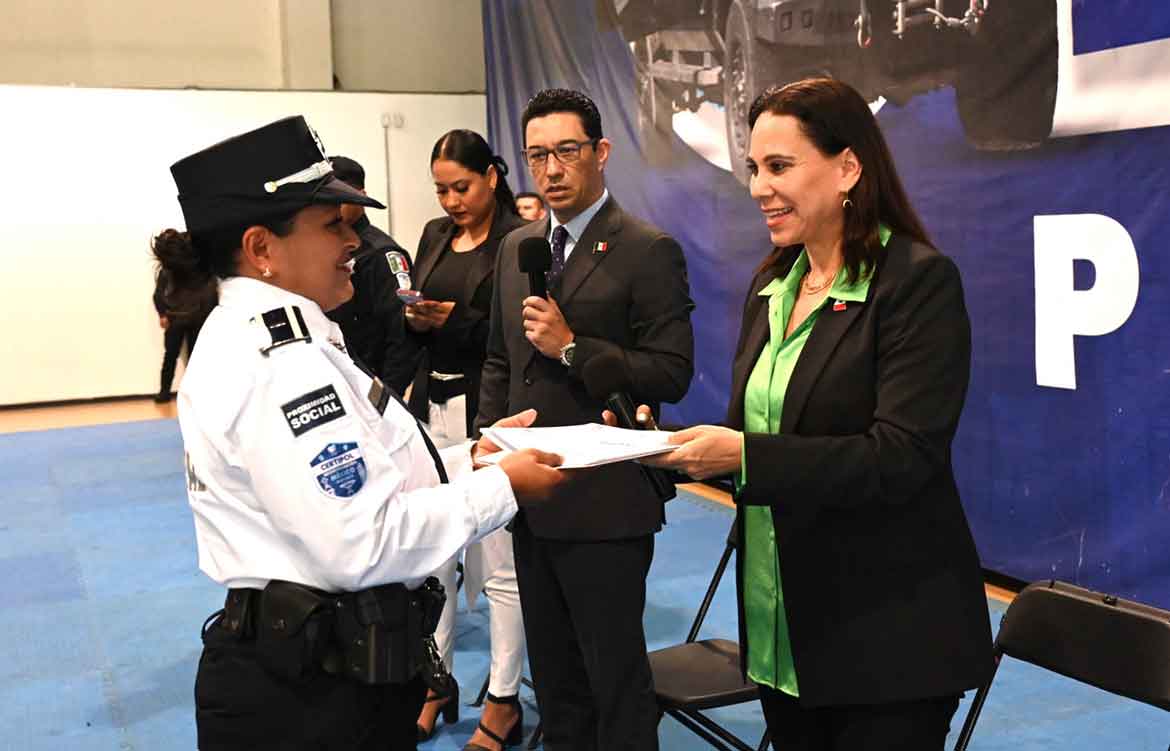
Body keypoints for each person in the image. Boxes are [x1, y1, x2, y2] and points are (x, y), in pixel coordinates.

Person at [153, 115, 566, 751]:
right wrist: (504, 488)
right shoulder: (280, 366)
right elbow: (365, 542)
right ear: (262, 249)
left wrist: (473, 460)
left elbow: (373, 473)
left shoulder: (288, 339)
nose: (354, 240)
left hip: (319, 670)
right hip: (310, 698)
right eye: (332, 225)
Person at [626, 78, 994, 750]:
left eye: (779, 166)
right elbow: (756, 433)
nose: (758, 187)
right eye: (753, 168)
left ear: (848, 167)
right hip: (781, 636)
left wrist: (743, 455)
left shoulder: (917, 282)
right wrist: (652, 446)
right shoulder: (772, 283)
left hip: (887, 643)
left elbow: (901, 457)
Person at [475, 88, 695, 751]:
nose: (551, 169)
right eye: (537, 155)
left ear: (600, 152)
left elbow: (671, 372)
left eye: (566, 151)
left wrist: (573, 348)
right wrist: (487, 439)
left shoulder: (647, 249)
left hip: (607, 502)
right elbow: (498, 359)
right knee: (556, 684)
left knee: (615, 684)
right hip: (530, 498)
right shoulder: (518, 249)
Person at [405, 129, 528, 750]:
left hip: (489, 409)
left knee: (501, 566)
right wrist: (415, 318)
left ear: (491, 178)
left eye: (462, 187)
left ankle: (503, 699)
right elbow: (418, 317)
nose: (451, 201)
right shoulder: (433, 235)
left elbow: (515, 335)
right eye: (441, 190)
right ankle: (436, 681)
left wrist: (457, 321)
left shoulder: (518, 239)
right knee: (431, 557)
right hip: (431, 407)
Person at [324, 155, 418, 393]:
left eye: (340, 198)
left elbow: (402, 335)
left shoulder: (383, 253)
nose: (333, 207)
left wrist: (387, 398)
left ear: (360, 196)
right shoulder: (322, 247)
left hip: (370, 383)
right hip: (337, 379)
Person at [151, 265, 214, 402]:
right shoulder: (168, 269)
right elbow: (158, 295)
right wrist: (162, 314)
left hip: (196, 318)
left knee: (196, 358)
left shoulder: (200, 268)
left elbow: (209, 293)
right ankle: (164, 392)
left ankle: (196, 392)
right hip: (174, 319)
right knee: (170, 356)